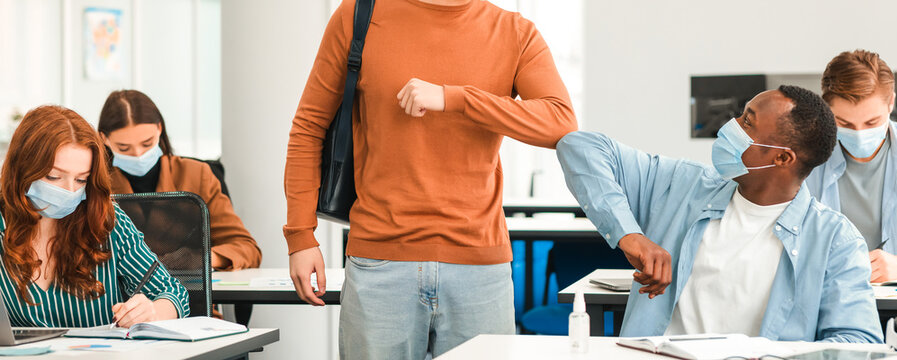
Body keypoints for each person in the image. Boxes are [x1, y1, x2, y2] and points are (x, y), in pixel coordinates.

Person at [284, 0, 578, 358]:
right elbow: (308, 128)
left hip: (479, 269)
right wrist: (301, 236)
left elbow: (560, 122)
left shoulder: (514, 31)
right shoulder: (358, 15)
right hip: (380, 265)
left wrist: (454, 97)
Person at [557, 86, 881, 342]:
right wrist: (631, 236)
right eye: (741, 115)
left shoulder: (835, 241)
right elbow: (580, 146)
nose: (731, 126)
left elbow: (858, 342)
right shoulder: (683, 186)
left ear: (783, 159)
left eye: (747, 122)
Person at [0, 105, 189, 328]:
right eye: (53, 177)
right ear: (22, 169)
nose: (70, 190)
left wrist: (152, 312)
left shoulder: (107, 221)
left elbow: (172, 294)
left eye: (81, 180)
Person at [97, 90, 262, 271]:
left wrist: (201, 259)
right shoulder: (94, 181)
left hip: (189, 294)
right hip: (119, 296)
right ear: (104, 138)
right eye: (124, 147)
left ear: (159, 129)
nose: (138, 154)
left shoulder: (197, 174)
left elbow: (246, 248)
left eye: (147, 143)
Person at [806, 50, 897, 283]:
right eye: (844, 123)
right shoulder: (806, 161)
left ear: (891, 102)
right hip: (831, 297)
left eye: (872, 122)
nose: (859, 134)